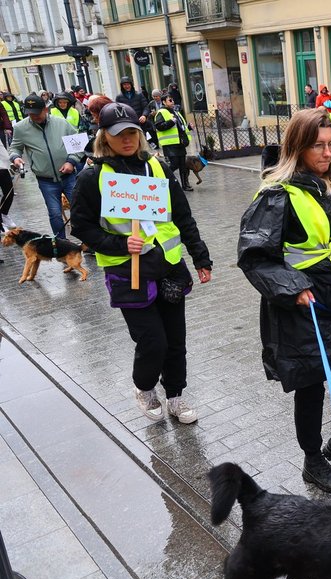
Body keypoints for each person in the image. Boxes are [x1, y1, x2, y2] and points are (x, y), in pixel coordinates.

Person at [237, 108, 331, 492]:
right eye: (318, 145)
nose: (327, 153)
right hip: (303, 300)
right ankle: (313, 459)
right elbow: (254, 256)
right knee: (312, 384)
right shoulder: (275, 194)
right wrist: (291, 287)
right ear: (298, 146)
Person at [70, 102, 213, 425]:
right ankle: (145, 387)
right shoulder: (93, 178)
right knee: (152, 341)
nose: (127, 139)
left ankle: (175, 395)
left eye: (132, 132)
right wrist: (119, 243)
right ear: (104, 136)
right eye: (119, 134)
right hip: (128, 272)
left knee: (175, 340)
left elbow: (182, 216)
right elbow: (81, 226)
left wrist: (200, 256)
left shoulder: (158, 167)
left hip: (169, 266)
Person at [9, 93, 84, 239]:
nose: (34, 116)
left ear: (46, 109)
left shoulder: (61, 123)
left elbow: (78, 145)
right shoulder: (20, 128)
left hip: (68, 176)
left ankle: (87, 242)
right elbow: (15, 148)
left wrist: (71, 162)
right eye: (30, 114)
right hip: (45, 180)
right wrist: (16, 158)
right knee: (55, 213)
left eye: (37, 113)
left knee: (79, 210)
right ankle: (60, 244)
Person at [154, 92, 194, 191]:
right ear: (164, 102)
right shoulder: (161, 112)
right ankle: (163, 178)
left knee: (183, 165)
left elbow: (180, 127)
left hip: (179, 142)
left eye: (172, 100)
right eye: (170, 100)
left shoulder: (175, 112)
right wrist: (171, 122)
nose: (172, 102)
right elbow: (158, 127)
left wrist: (188, 127)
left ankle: (185, 185)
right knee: (174, 164)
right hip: (170, 144)